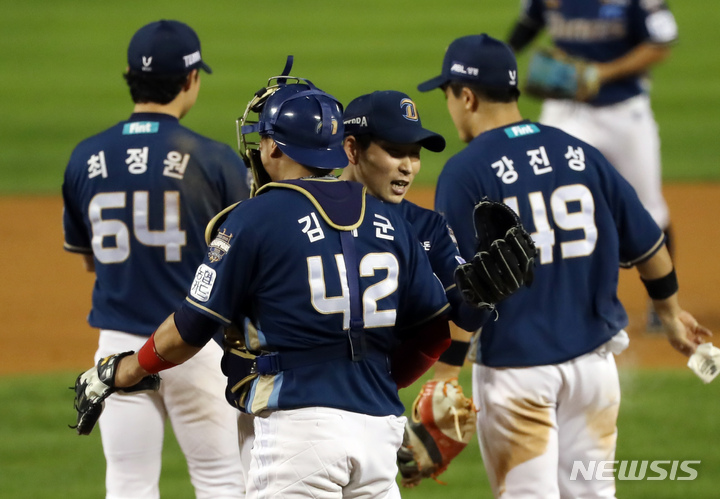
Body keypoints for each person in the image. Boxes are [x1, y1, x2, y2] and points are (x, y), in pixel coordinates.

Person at [76, 72, 455, 498]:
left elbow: (189, 329)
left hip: (300, 433)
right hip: (379, 428)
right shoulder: (391, 221)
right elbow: (434, 333)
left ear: (274, 146)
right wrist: (377, 379)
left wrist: (123, 371)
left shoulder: (253, 219)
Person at [417, 33, 711, 498]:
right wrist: (671, 316)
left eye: (448, 94)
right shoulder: (578, 152)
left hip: (518, 374)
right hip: (594, 372)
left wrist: (447, 371)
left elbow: (468, 287)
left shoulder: (466, 171)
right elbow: (650, 244)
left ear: (466, 96)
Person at [62, 20, 249, 498]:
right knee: (221, 481)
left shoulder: (86, 158)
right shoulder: (214, 160)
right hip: (197, 345)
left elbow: (90, 259)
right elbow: (245, 264)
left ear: (130, 75)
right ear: (190, 81)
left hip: (118, 349)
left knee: (127, 484)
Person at [506, 0, 678, 331]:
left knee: (649, 208)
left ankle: (662, 303)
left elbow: (660, 45)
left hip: (623, 111)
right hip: (565, 110)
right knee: (540, 201)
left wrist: (602, 73)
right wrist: (502, 57)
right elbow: (528, 23)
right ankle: (546, 302)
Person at [340, 90, 491, 347]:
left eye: (415, 153)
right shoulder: (307, 212)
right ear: (353, 149)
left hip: (377, 383)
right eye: (395, 152)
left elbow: (467, 314)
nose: (408, 167)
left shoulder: (427, 226)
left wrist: (486, 289)